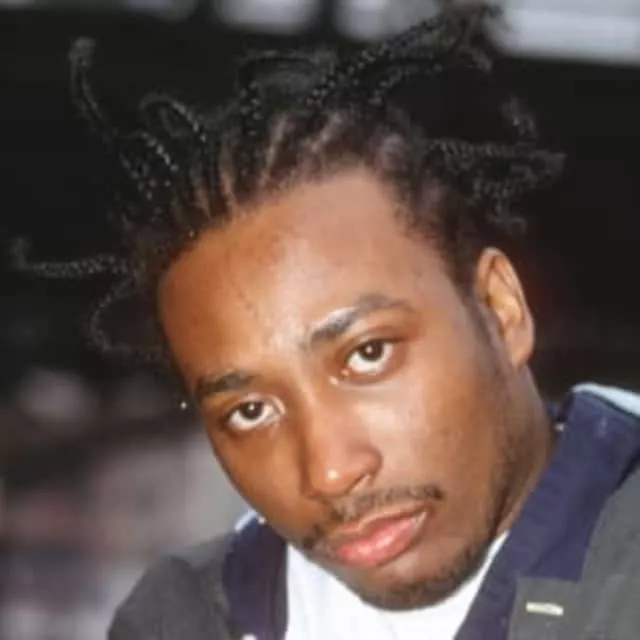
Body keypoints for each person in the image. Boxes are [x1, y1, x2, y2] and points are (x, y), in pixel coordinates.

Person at [14, 5, 640, 639]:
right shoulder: (184, 619)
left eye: (368, 354)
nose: (329, 471)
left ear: (501, 312)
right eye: (249, 411)